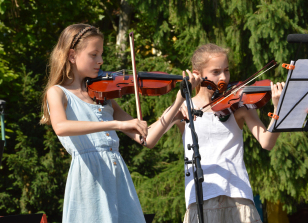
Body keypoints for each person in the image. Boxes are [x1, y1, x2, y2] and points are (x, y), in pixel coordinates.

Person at [40, 23, 201, 223]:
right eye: (94, 55)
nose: (100, 61)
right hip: (89, 181)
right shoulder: (57, 92)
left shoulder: (103, 97)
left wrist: (178, 102)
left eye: (101, 54)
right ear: (72, 55)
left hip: (117, 178)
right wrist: (116, 124)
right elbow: (61, 127)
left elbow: (147, 138)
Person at [160, 43, 285, 223]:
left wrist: (278, 108)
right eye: (216, 72)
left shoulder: (239, 106)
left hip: (238, 197)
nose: (224, 78)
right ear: (197, 74)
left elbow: (267, 142)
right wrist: (176, 105)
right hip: (201, 199)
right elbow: (150, 136)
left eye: (226, 70)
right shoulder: (185, 108)